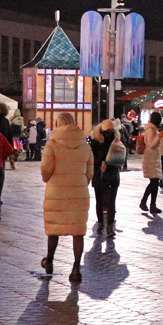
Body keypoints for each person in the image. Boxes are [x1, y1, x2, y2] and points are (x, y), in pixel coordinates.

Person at [41, 112, 94, 282]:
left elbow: (46, 170)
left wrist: (48, 179)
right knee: (78, 232)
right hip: (79, 193)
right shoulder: (85, 145)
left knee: (54, 230)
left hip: (57, 191)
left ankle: (49, 261)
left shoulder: (53, 144)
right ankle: (76, 268)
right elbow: (89, 173)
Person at [89, 120, 122, 237]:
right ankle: (108, 226)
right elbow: (120, 160)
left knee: (101, 200)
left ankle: (102, 224)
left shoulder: (95, 142)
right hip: (112, 174)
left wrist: (101, 162)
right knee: (111, 201)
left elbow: (92, 160)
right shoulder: (116, 140)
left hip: (101, 174)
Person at [140, 111, 163, 213]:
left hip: (153, 157)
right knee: (154, 182)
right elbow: (151, 144)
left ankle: (149, 203)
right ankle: (147, 203)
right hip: (151, 158)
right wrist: (159, 136)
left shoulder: (152, 129)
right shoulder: (151, 130)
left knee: (154, 182)